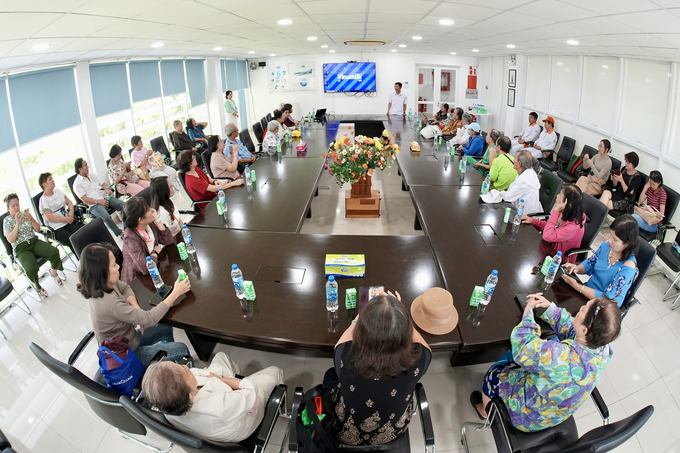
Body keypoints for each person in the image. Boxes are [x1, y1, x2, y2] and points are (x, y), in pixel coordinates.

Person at [471, 293, 620, 432]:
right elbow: (576, 332)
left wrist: (528, 312)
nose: (580, 309)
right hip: (555, 415)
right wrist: (550, 308)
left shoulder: (557, 356)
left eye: (583, 309)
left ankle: (485, 411)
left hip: (527, 416)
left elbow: (523, 346)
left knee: (494, 374)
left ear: (586, 330)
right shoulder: (601, 350)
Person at [325, 292, 431, 446]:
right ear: (406, 333)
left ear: (362, 331)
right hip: (393, 431)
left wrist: (359, 317)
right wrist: (401, 318)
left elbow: (339, 344)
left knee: (330, 374)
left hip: (347, 432)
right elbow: (426, 347)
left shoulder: (345, 355)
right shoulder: (419, 357)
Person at [78, 242, 191, 365]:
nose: (118, 267)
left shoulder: (103, 284)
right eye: (114, 265)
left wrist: (136, 309)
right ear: (102, 272)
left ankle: (169, 367)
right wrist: (176, 293)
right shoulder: (110, 303)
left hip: (129, 338)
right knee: (182, 349)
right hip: (127, 355)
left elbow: (125, 287)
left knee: (165, 329)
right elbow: (150, 318)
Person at [141, 351, 284, 443]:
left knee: (221, 356)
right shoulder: (219, 407)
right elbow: (251, 389)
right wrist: (223, 380)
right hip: (240, 426)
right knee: (274, 372)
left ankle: (230, 377)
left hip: (213, 411)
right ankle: (280, 406)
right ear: (190, 396)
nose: (186, 367)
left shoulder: (167, 402)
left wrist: (216, 378)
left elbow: (197, 372)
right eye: (185, 371)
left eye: (179, 365)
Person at [562, 214, 638, 307]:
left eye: (615, 239)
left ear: (627, 244)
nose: (610, 240)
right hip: (586, 291)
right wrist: (576, 268)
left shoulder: (628, 267)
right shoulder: (607, 246)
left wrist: (577, 287)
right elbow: (590, 263)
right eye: (610, 235)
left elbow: (607, 298)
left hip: (602, 307)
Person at [3, 193, 64, 298]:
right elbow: (11, 239)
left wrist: (32, 220)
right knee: (30, 268)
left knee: (54, 251)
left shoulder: (25, 214)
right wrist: (17, 223)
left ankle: (53, 272)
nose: (16, 207)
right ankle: (37, 286)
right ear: (8, 208)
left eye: (17, 205)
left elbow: (37, 229)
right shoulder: (7, 221)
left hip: (34, 241)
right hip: (21, 249)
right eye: (13, 206)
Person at [522, 184, 586, 263]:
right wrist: (533, 221)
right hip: (548, 248)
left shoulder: (574, 227)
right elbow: (549, 226)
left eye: (560, 195)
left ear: (567, 203)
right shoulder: (566, 212)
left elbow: (548, 235)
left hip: (558, 260)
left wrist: (555, 211)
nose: (557, 196)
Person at [120, 197, 175, 283]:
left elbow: (168, 240)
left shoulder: (149, 224)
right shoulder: (130, 238)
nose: (152, 210)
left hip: (155, 269)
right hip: (137, 280)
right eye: (148, 210)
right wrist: (155, 253)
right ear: (140, 220)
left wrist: (157, 219)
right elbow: (145, 268)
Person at [73, 158, 125, 238]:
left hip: (104, 198)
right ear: (80, 169)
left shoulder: (92, 175)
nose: (88, 167)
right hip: (94, 205)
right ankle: (120, 234)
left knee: (123, 205)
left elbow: (103, 184)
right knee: (106, 217)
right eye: (86, 165)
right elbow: (85, 200)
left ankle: (127, 229)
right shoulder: (77, 184)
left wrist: (107, 189)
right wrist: (99, 202)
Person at [177, 150, 243, 209]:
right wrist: (234, 183)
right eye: (193, 158)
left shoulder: (195, 169)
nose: (195, 158)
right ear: (190, 164)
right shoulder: (192, 181)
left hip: (215, 196)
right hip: (210, 205)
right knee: (237, 202)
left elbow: (208, 179)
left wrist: (214, 181)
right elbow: (214, 189)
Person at [38, 172, 83, 254]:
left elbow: (69, 202)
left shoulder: (58, 192)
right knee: (71, 239)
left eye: (52, 179)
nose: (53, 181)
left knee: (80, 233)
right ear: (44, 184)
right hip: (56, 227)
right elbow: (49, 217)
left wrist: (71, 211)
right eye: (50, 180)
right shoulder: (43, 200)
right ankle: (82, 259)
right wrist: (65, 219)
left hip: (67, 221)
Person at [500, 150, 542, 214]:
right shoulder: (528, 172)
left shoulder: (523, 181)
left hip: (523, 215)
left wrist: (502, 192)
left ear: (519, 163)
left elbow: (507, 197)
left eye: (515, 159)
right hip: (518, 207)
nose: (513, 160)